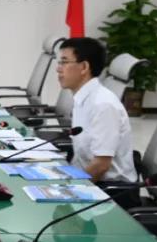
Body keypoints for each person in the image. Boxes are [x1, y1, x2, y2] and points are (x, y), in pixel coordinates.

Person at [55, 37, 138, 203]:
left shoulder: (102, 105)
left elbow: (101, 165)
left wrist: (68, 192)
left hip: (111, 193)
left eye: (64, 62)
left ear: (84, 67)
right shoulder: (82, 98)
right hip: (90, 181)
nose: (58, 69)